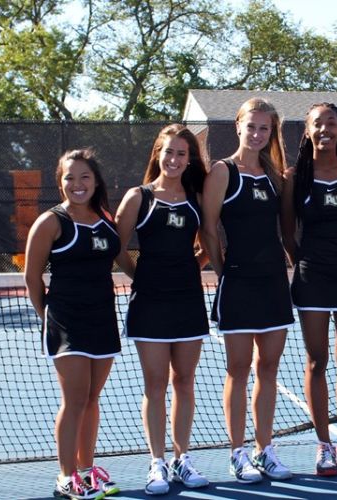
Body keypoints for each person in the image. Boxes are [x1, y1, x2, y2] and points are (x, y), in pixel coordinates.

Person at [201, 98, 295, 484]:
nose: (257, 134)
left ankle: (265, 449)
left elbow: (286, 228)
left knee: (268, 369)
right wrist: (226, 272)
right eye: (251, 126)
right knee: (238, 370)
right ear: (238, 126)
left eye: (265, 129)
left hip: (273, 282)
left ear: (272, 132)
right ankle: (237, 453)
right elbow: (208, 229)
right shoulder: (221, 172)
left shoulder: (276, 176)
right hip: (238, 283)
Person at [115, 124, 210, 496]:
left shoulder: (196, 198)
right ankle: (157, 462)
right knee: (155, 384)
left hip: (187, 300)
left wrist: (192, 268)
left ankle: (181, 458)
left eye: (181, 154)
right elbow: (117, 247)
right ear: (157, 153)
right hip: (150, 303)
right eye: (168, 152)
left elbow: (208, 243)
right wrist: (143, 275)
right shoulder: (138, 197)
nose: (174, 159)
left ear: (189, 160)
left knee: (184, 382)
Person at [280, 103, 337, 476]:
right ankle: (323, 445)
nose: (325, 130)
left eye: (331, 124)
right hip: (311, 278)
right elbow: (288, 231)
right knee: (317, 361)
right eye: (318, 124)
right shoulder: (294, 177)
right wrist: (303, 262)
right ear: (308, 131)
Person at [25, 149, 123, 499]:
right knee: (75, 399)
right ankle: (66, 477)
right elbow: (32, 277)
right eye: (70, 177)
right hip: (66, 320)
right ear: (60, 181)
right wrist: (48, 317)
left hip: (102, 318)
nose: (77, 184)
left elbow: (122, 259)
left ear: (95, 182)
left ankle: (86, 470)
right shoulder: (51, 222)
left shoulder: (105, 219)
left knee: (92, 399)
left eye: (84, 177)